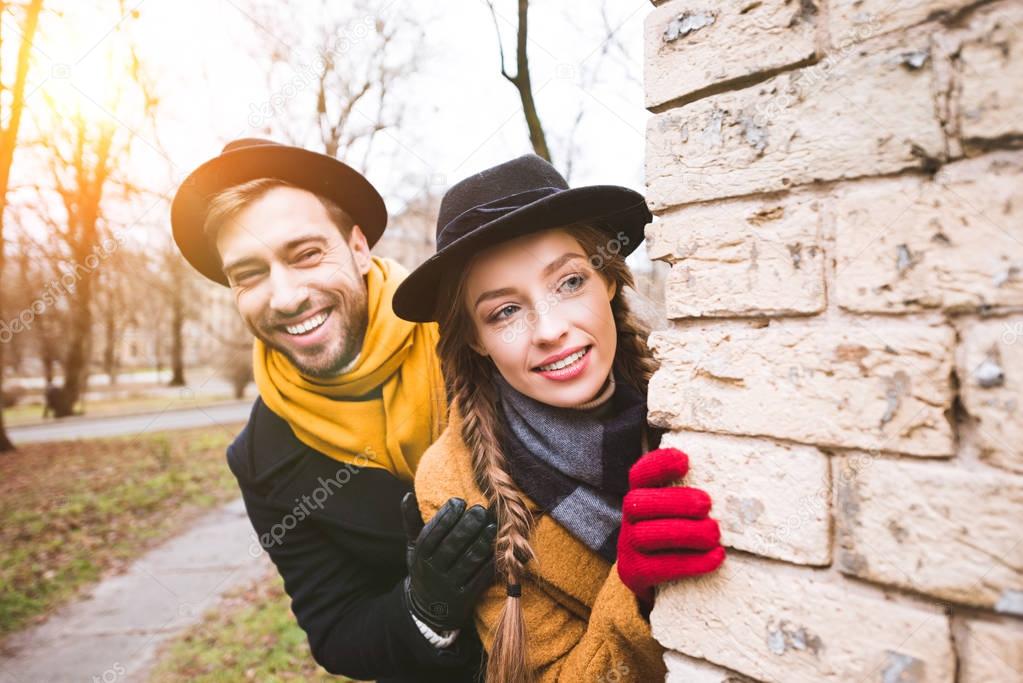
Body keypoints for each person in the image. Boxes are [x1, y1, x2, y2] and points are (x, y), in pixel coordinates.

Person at [170, 138, 495, 682]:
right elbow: (338, 630)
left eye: (305, 254)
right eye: (249, 274)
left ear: (359, 248)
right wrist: (427, 607)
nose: (285, 297)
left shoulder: (471, 331)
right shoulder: (259, 457)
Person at [392, 154, 726, 682]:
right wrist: (632, 589)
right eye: (504, 311)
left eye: (569, 282)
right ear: (476, 339)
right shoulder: (454, 485)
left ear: (609, 279)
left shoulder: (707, 399)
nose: (548, 329)